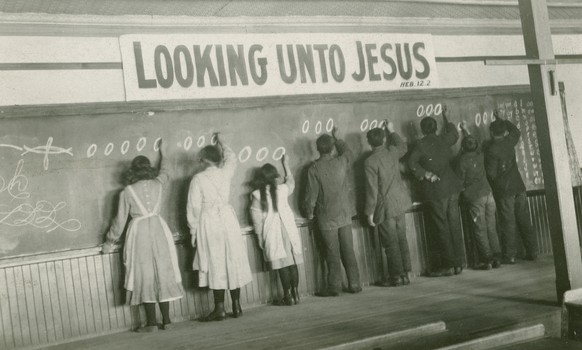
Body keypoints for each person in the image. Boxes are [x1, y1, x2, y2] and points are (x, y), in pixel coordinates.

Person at [102, 140, 184, 332]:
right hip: (159, 229)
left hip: (138, 233)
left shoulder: (127, 192)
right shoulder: (158, 183)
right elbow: (166, 171)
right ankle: (167, 321)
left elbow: (119, 222)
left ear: (132, 171)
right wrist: (163, 153)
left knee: (144, 275)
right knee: (163, 272)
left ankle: (151, 324)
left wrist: (109, 242)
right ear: (148, 169)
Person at [187, 133, 252, 321]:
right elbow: (232, 157)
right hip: (228, 219)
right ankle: (237, 306)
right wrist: (223, 142)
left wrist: (193, 231)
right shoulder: (226, 171)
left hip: (209, 222)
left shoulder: (198, 179)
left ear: (204, 160)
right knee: (232, 260)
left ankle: (220, 309)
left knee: (216, 262)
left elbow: (193, 207)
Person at [408, 106, 465, 277]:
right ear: (436, 128)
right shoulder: (443, 139)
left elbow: (411, 163)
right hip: (452, 188)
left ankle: (448, 265)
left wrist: (425, 174)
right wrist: (446, 118)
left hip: (436, 191)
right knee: (454, 223)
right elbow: (455, 134)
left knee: (441, 227)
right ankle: (459, 263)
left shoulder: (420, 145)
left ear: (422, 130)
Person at [304, 126, 361, 296]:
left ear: (317, 148)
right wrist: (338, 138)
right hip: (344, 214)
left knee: (332, 253)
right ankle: (355, 284)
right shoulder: (341, 161)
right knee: (348, 251)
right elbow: (348, 152)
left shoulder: (314, 169)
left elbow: (311, 196)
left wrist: (309, 213)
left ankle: (334, 287)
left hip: (326, 217)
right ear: (332, 147)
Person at [484, 113, 538, 264]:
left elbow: (491, 173)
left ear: (492, 133)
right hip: (518, 186)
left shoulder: (491, 150)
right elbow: (516, 131)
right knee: (524, 218)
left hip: (504, 190)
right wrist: (502, 119)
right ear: (503, 132)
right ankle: (532, 251)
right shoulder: (509, 141)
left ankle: (510, 256)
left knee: (508, 222)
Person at [250, 155, 303, 305]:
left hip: (273, 233)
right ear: (275, 178)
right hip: (288, 230)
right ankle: (296, 293)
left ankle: (288, 296)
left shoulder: (257, 195)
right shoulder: (282, 189)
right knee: (292, 263)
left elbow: (257, 221)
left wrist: (260, 239)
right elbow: (291, 182)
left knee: (282, 266)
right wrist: (286, 164)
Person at [364, 121, 412, 287]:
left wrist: (369, 212)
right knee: (401, 238)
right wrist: (392, 130)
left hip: (385, 207)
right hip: (400, 202)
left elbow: (372, 190)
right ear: (384, 140)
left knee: (391, 243)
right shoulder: (392, 152)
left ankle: (396, 277)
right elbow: (402, 146)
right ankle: (406, 274)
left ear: (369, 143)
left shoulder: (370, 162)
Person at [457, 122, 501, 270]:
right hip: (489, 194)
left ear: (462, 147)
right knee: (491, 226)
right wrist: (466, 130)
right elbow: (474, 143)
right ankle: (497, 257)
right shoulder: (480, 155)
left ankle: (487, 259)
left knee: (479, 228)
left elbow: (460, 180)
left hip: (475, 197)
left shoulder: (462, 160)